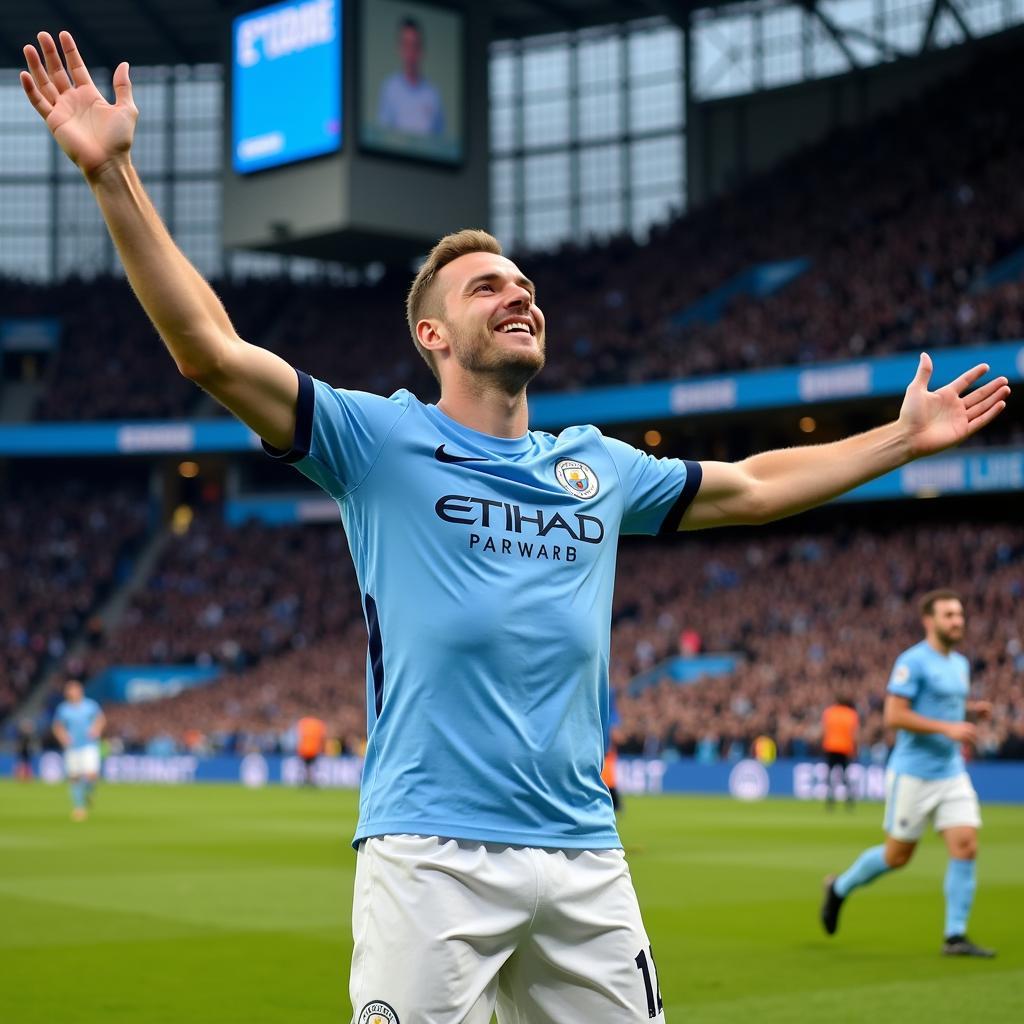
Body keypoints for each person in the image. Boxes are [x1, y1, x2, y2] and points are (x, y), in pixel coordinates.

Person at [19, 32, 1010, 1019]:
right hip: (431, 857)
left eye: (524, 285)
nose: (518, 293)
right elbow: (212, 353)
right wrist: (114, 176)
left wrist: (898, 439)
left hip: (585, 856)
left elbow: (750, 484)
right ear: (432, 336)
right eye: (486, 286)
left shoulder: (596, 465)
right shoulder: (376, 440)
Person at [821, 590, 996, 957]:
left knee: (966, 845)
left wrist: (968, 712)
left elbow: (943, 704)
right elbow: (894, 716)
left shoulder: (960, 664)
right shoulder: (912, 661)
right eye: (949, 615)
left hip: (951, 771)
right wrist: (947, 729)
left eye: (960, 615)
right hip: (913, 773)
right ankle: (839, 888)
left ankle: (955, 936)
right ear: (929, 621)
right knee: (897, 856)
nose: (958, 622)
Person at [376, 16, 445, 138]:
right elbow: (383, 135)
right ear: (400, 48)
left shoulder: (433, 94)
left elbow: (439, 140)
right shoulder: (389, 88)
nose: (410, 51)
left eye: (414, 45)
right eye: (406, 44)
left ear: (421, 50)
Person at [51, 679, 105, 821]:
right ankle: (79, 807)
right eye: (69, 690)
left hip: (89, 745)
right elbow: (57, 726)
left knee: (91, 774)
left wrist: (96, 729)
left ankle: (89, 791)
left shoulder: (90, 705)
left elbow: (100, 719)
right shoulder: (63, 709)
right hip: (72, 747)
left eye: (74, 689)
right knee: (74, 778)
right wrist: (63, 737)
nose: (71, 692)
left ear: (80, 691)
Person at [821, 697, 859, 809]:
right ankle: (849, 800)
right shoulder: (851, 714)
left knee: (830, 775)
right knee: (845, 776)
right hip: (845, 748)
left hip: (831, 747)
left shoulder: (829, 712)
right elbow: (854, 734)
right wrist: (855, 749)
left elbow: (825, 729)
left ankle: (830, 799)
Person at [296, 714, 327, 786]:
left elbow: (299, 736)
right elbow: (322, 738)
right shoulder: (319, 724)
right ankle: (309, 780)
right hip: (313, 750)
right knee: (310, 767)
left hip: (305, 750)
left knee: (307, 767)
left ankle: (307, 780)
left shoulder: (303, 722)